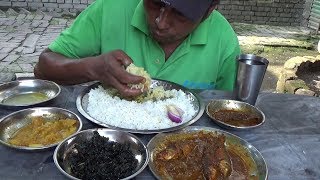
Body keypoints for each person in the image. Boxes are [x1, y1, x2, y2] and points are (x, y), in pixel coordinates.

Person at [34, 0, 240, 97]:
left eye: (180, 14)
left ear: (209, 10)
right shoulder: (110, 8)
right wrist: (92, 68)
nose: (161, 22)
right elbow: (43, 67)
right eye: (155, 3)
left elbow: (229, 110)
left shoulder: (224, 41)